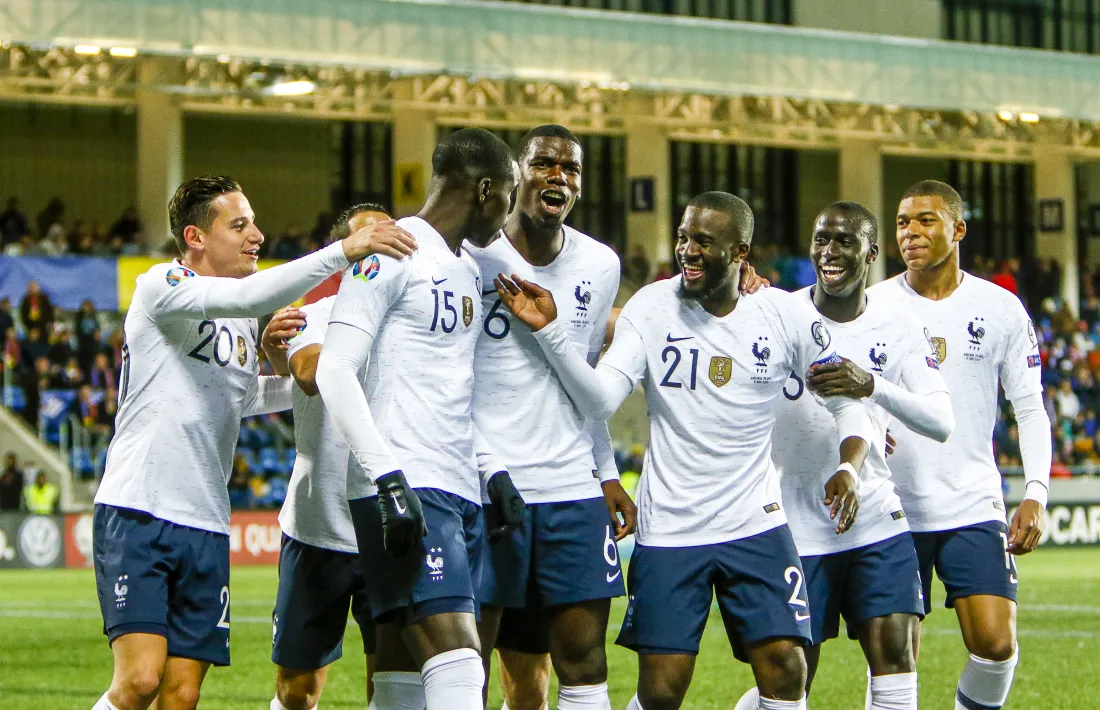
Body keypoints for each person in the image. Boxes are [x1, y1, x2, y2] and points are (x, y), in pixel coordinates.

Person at [496, 191, 876, 710]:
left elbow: (846, 403)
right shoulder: (652, 307)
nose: (687, 251)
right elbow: (601, 399)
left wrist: (849, 467)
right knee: (660, 692)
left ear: (741, 253)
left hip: (756, 524)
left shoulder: (782, 314)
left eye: (703, 241)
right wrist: (554, 332)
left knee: (788, 669)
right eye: (682, 237)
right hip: (672, 528)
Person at [89, 175, 415, 710]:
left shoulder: (240, 320)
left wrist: (308, 371)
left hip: (207, 520)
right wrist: (344, 251)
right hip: (139, 506)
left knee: (181, 693)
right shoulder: (160, 285)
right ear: (194, 236)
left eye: (254, 223)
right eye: (239, 225)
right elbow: (249, 290)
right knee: (140, 681)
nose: (256, 235)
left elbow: (242, 397)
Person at [315, 128, 524, 710]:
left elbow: (448, 389)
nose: (506, 215)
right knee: (460, 663)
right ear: (486, 189)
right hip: (406, 485)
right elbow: (335, 370)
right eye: (508, 196)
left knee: (404, 675)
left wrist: (492, 471)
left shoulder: (462, 269)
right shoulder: (391, 251)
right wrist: (385, 479)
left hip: (457, 486)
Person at [734, 202, 955, 710]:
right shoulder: (774, 312)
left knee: (896, 660)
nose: (829, 252)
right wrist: (732, 285)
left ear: (871, 253)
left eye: (844, 241)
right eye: (821, 240)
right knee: (789, 682)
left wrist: (872, 385)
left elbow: (940, 420)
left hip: (874, 515)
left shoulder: (896, 327)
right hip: (791, 524)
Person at [466, 124, 634, 710]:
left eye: (570, 168)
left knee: (583, 660)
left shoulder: (600, 263)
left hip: (570, 488)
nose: (557, 176)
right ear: (518, 174)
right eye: (543, 164)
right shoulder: (471, 257)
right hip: (483, 486)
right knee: (468, 664)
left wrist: (606, 469)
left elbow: (584, 380)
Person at [868, 180, 1052, 710]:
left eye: (926, 220)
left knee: (996, 645)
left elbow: (1030, 406)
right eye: (903, 222)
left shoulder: (1000, 308)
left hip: (971, 500)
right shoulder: (873, 304)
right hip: (891, 504)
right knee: (893, 658)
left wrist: (1035, 492)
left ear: (958, 229)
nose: (911, 232)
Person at [267, 203, 399, 710]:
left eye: (390, 236)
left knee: (388, 682)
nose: (383, 247)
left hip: (389, 524)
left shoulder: (411, 319)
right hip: (317, 528)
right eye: (370, 238)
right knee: (297, 689)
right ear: (344, 253)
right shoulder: (310, 315)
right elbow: (307, 374)